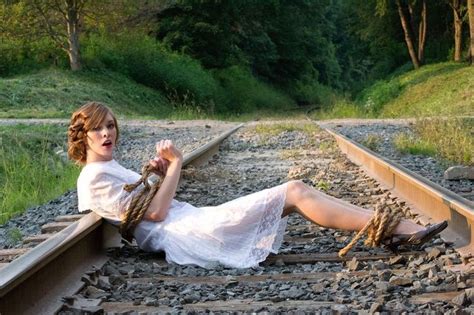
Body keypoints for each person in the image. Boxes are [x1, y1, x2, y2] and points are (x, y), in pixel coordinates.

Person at [68, 101, 447, 269]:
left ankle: (394, 229)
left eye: (110, 125)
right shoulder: (94, 177)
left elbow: (142, 205)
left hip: (194, 221)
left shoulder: (109, 168)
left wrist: (157, 172)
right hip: (189, 232)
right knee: (295, 191)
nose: (106, 133)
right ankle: (396, 229)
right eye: (97, 129)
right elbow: (154, 212)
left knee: (297, 189)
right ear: (82, 137)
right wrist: (175, 165)